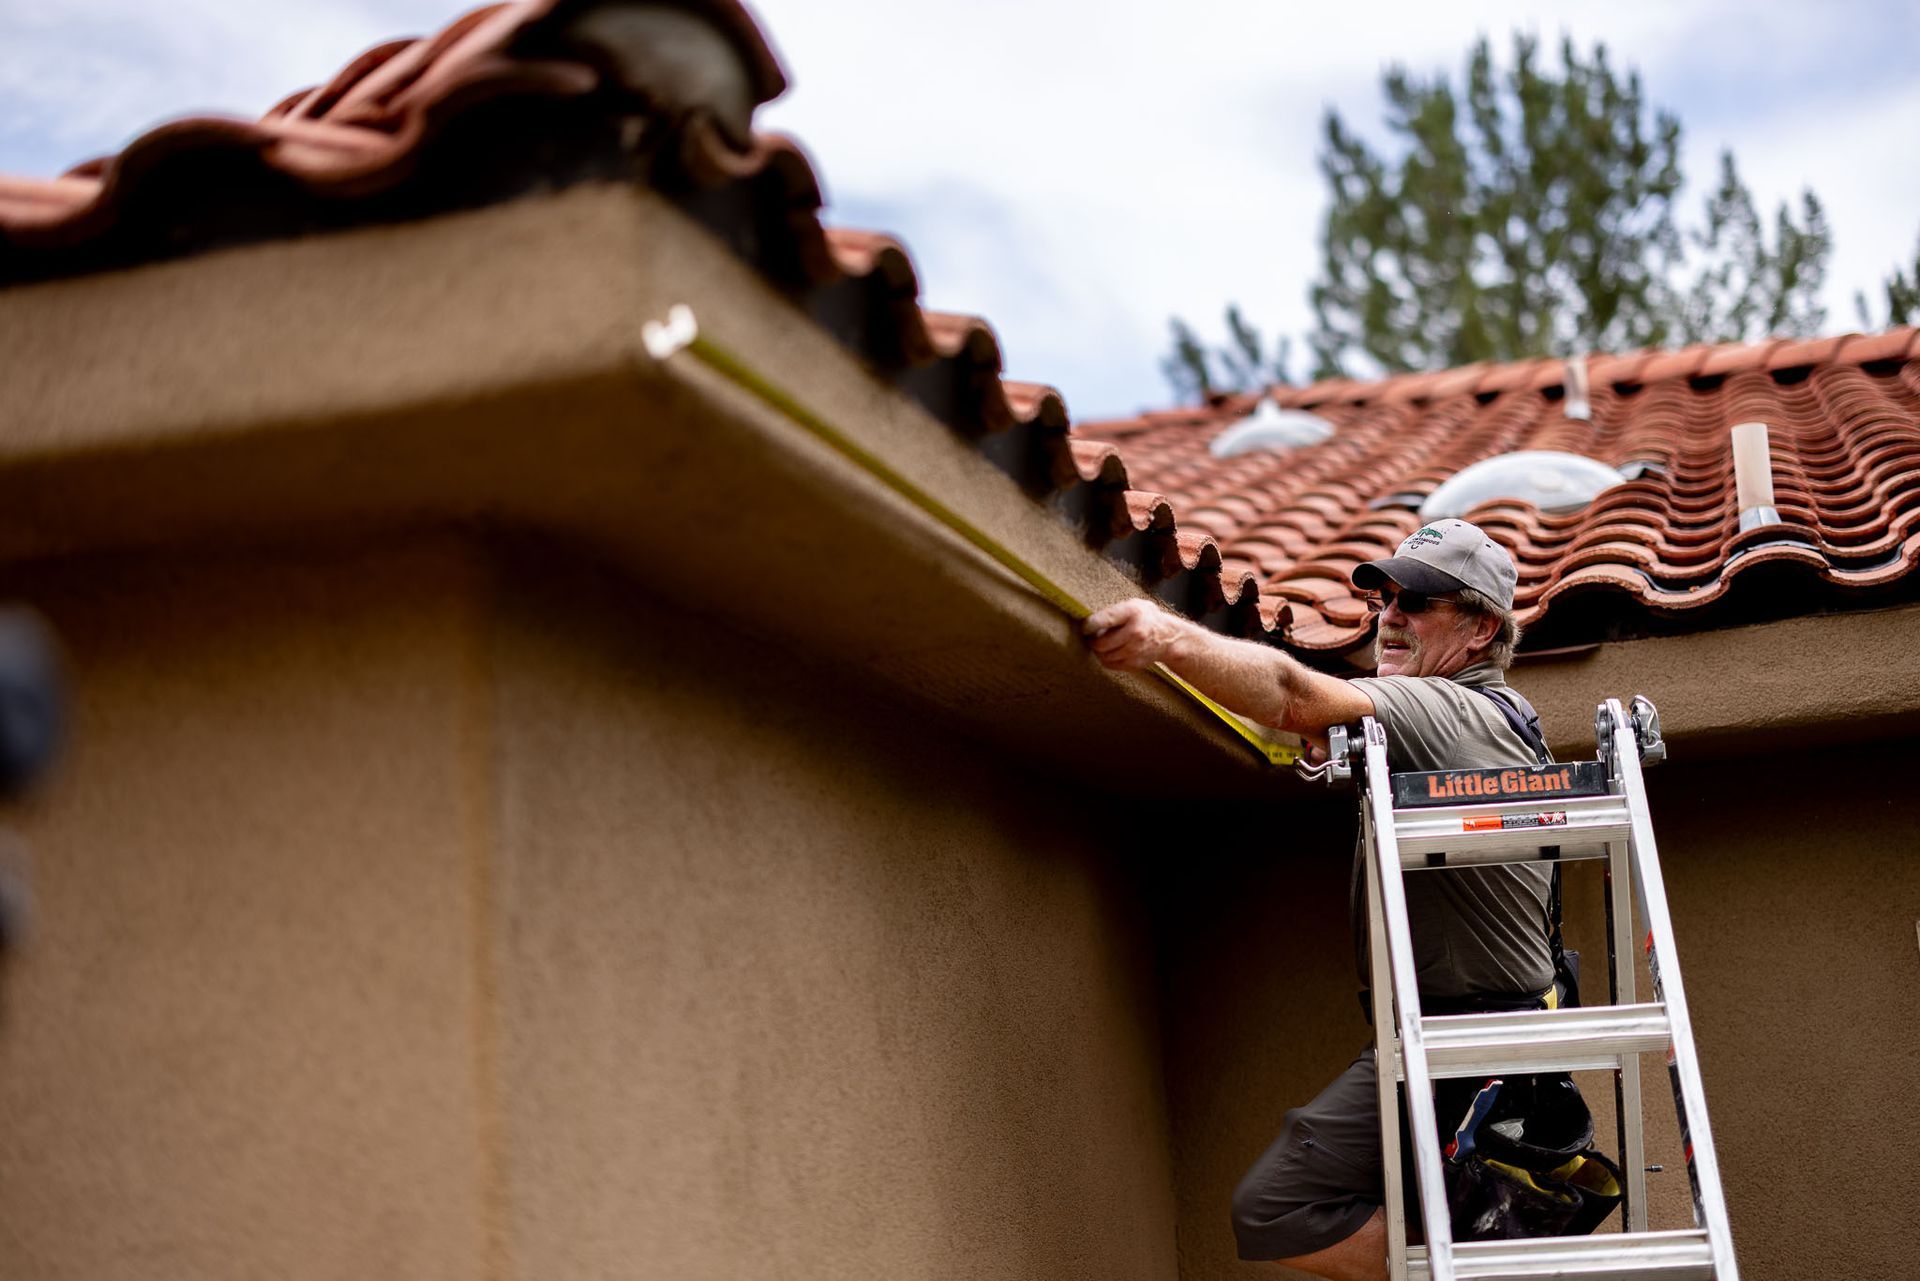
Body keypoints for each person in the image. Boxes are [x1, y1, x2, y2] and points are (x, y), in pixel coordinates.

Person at [1084, 518, 1550, 1281]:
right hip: (1450, 1038)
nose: (1390, 617)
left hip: (1465, 1041)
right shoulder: (1462, 719)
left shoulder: (1445, 709)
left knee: (1278, 1204)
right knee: (1308, 1203)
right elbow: (1302, 718)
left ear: (1480, 629)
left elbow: (1293, 692)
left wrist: (1165, 638)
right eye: (1387, 598)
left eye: (1420, 602)